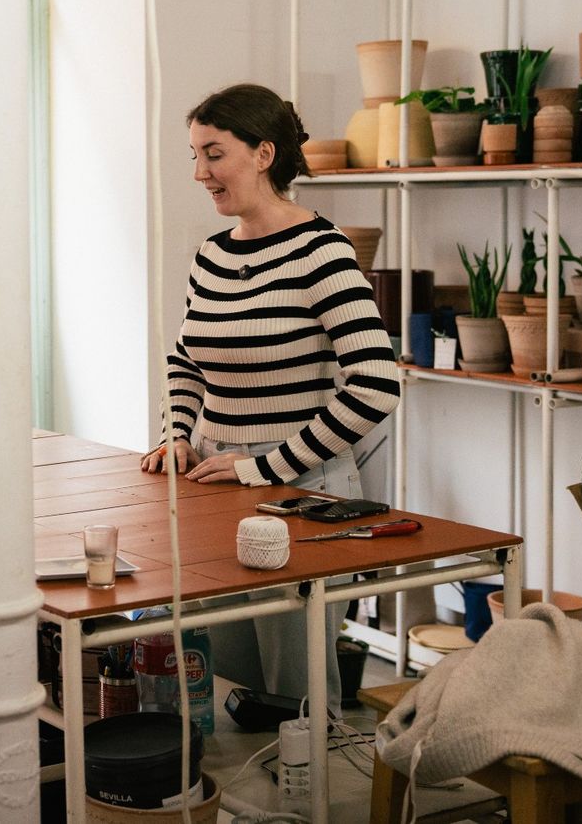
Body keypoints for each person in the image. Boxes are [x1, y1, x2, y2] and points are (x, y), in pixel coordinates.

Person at [142, 83, 400, 702]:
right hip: (214, 481)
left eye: (214, 154)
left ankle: (310, 769)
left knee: (296, 692)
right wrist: (176, 435)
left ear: (263, 154)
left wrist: (263, 468)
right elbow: (186, 361)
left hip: (301, 492)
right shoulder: (210, 257)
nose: (200, 173)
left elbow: (376, 383)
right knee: (217, 669)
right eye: (195, 156)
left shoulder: (323, 251)